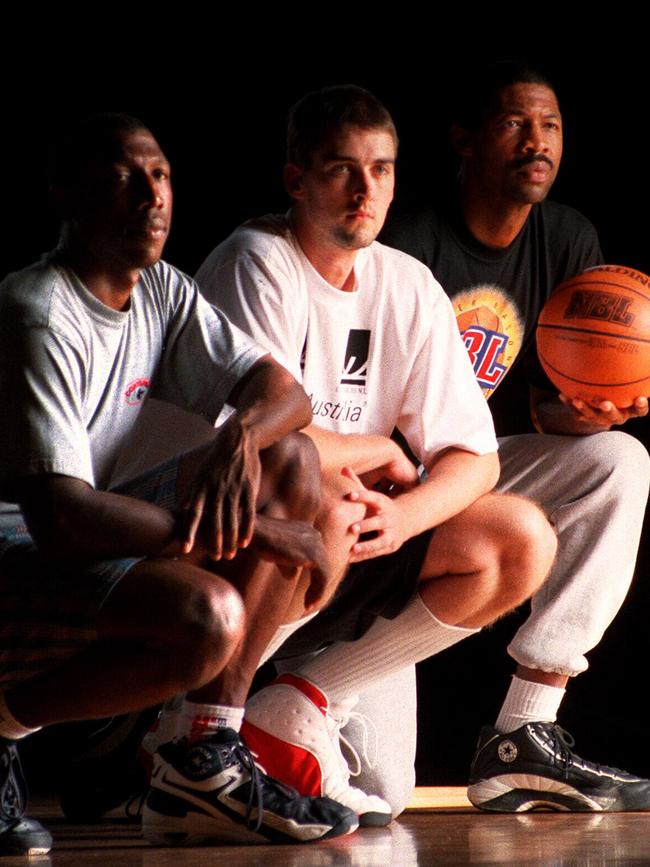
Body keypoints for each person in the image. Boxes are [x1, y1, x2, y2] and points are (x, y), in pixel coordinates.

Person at [194, 85, 558, 823]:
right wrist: (375, 449)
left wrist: (403, 518)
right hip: (237, 544)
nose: (367, 190)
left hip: (360, 538)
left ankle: (302, 696)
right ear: (297, 179)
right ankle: (192, 724)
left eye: (383, 170)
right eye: (342, 169)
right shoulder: (255, 260)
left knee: (518, 537)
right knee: (316, 496)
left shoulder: (406, 282)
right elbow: (261, 441)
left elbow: (475, 458)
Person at [0, 112, 360, 854]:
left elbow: (285, 394)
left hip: (83, 532)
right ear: (65, 192)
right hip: (19, 544)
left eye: (160, 174)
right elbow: (60, 517)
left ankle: (206, 760)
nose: (150, 195)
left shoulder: (160, 287)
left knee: (287, 458)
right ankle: (1, 722)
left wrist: (238, 437)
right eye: (123, 177)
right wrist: (267, 531)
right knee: (210, 616)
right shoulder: (39, 310)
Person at [380, 61, 650, 811]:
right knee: (378, 792)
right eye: (514, 123)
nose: (538, 141)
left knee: (618, 459)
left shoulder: (567, 236)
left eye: (552, 125)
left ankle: (524, 728)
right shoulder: (412, 243)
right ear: (465, 141)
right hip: (395, 476)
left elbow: (547, 399)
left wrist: (597, 405)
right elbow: (383, 409)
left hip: (482, 464)